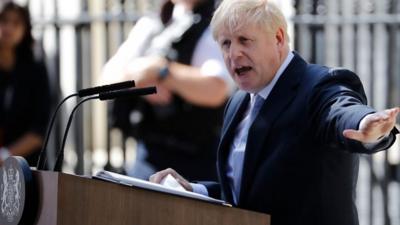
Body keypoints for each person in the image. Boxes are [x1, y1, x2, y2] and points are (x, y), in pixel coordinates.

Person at [149, 0, 400, 225]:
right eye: (225, 43)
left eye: (244, 40)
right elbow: (245, 196)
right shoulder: (238, 103)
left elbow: (339, 109)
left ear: (279, 38)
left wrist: (366, 123)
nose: (233, 53)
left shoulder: (317, 85)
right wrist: (192, 189)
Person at [102, 0, 232, 181]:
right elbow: (108, 77)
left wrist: (162, 72)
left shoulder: (218, 22)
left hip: (196, 160)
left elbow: (216, 90)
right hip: (148, 156)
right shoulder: (153, 22)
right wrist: (140, 80)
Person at [0, 2, 50, 166]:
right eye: (4, 21)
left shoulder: (36, 71)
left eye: (16, 23)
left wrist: (5, 155)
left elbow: (38, 131)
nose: (8, 28)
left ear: (25, 29)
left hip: (27, 169)